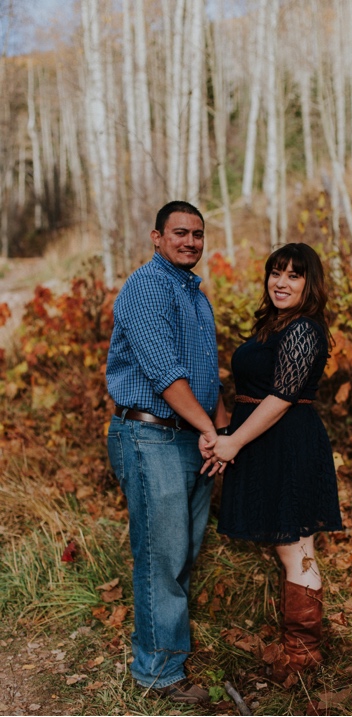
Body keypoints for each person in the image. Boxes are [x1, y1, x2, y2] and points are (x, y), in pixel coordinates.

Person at [106, 201, 229, 705]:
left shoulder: (197, 296)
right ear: (157, 236)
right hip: (150, 436)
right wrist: (210, 429)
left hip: (190, 438)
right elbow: (165, 374)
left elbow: (207, 375)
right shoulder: (146, 287)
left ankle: (165, 653)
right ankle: (156, 672)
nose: (191, 242)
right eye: (180, 233)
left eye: (198, 235)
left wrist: (222, 433)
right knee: (162, 556)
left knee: (182, 553)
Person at [202, 242, 342, 682]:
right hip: (263, 441)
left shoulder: (303, 329)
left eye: (294, 275)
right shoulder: (274, 324)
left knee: (295, 547)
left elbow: (281, 397)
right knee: (291, 546)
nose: (281, 282)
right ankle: (299, 657)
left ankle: (302, 659)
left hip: (287, 442)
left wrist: (234, 442)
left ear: (309, 284)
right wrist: (227, 433)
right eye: (275, 273)